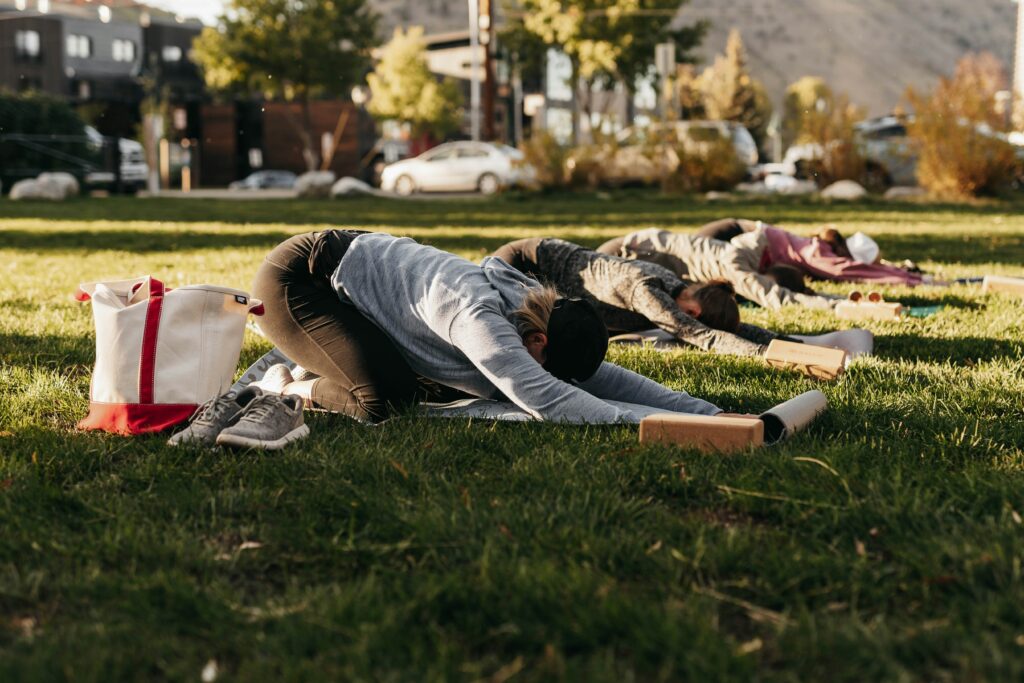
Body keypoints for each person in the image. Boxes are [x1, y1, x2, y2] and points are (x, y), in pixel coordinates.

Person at [250, 230, 722, 424]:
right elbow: (549, 399)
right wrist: (660, 423)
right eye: (547, 365)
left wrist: (707, 413)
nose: (545, 373)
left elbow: (599, 380)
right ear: (538, 340)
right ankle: (292, 385)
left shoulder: (537, 316)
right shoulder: (479, 320)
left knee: (403, 383)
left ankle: (321, 355)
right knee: (385, 400)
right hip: (296, 283)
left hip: (344, 276)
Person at [491, 237, 790, 357]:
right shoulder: (647, 291)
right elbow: (704, 337)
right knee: (505, 332)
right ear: (695, 312)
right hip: (523, 262)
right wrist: (767, 355)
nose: (685, 319)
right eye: (691, 318)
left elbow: (724, 332)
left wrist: (782, 341)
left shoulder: (677, 288)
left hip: (551, 269)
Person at [598, 219, 924, 310]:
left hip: (645, 246)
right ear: (768, 276)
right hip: (631, 251)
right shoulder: (737, 266)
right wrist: (834, 303)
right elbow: (777, 298)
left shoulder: (747, 252)